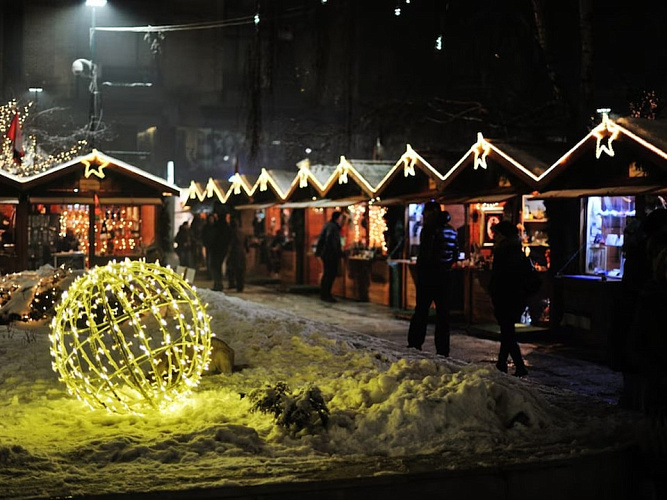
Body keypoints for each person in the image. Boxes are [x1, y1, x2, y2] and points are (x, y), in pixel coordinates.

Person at [406, 202, 458, 356]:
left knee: (421, 310)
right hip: (445, 276)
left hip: (429, 276)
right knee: (443, 315)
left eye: (425, 213)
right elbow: (455, 254)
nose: (423, 216)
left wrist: (421, 270)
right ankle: (443, 349)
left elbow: (425, 254)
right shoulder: (452, 230)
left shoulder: (429, 229)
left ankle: (415, 343)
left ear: (432, 213)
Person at [489, 220, 530, 377]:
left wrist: (494, 293)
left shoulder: (504, 251)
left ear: (503, 235)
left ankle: (519, 366)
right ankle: (501, 364)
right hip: (516, 296)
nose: (495, 237)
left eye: (497, 234)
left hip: (505, 296)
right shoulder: (516, 250)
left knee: (507, 332)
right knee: (507, 331)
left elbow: (500, 277)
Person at [315, 211, 345, 302]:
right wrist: (339, 253)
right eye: (341, 218)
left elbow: (321, 239)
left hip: (326, 254)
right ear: (337, 218)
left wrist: (319, 252)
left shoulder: (328, 225)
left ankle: (324, 294)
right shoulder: (333, 227)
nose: (342, 220)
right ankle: (326, 294)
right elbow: (331, 241)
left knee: (327, 274)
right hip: (330, 254)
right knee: (330, 274)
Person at [201, 213, 231, 291]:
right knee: (216, 266)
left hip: (216, 249)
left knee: (215, 266)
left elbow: (212, 238)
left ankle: (218, 283)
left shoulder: (217, 227)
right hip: (218, 249)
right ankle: (218, 283)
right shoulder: (224, 227)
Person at [226, 217, 248, 292]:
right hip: (241, 253)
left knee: (232, 269)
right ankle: (240, 286)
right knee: (240, 270)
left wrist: (228, 252)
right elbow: (246, 243)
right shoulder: (242, 232)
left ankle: (233, 284)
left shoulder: (231, 232)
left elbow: (230, 243)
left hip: (234, 253)